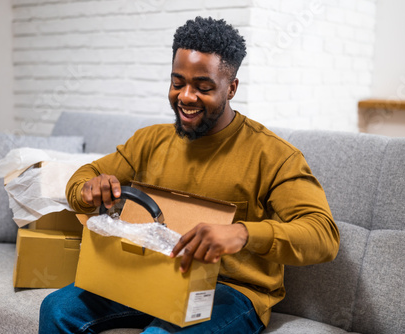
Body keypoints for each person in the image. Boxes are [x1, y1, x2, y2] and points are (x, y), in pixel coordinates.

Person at [39, 16, 340, 334]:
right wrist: (89, 188)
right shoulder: (151, 140)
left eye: (203, 87)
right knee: (57, 309)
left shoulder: (274, 155)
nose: (185, 96)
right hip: (150, 272)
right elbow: (86, 175)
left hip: (228, 292)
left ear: (231, 88)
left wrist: (241, 233)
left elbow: (323, 235)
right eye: (178, 82)